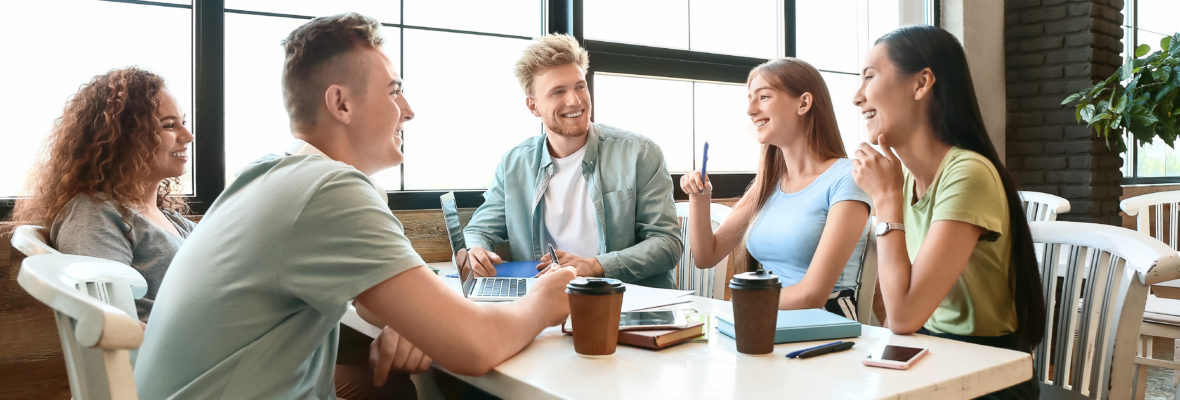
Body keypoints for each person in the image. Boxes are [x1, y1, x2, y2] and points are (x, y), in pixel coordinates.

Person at [133, 13, 575, 399]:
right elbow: (475, 347)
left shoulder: (271, 173)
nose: (408, 110)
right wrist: (544, 300)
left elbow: (371, 302)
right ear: (341, 103)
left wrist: (420, 319)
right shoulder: (328, 189)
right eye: (394, 90)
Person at [850, 25, 1045, 398]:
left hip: (989, 374)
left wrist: (886, 201)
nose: (857, 97)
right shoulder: (903, 178)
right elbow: (896, 316)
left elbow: (904, 315)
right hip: (933, 357)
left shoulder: (968, 172)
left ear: (921, 83)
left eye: (870, 77)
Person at [463, 34, 683, 289]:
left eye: (580, 86)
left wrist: (594, 266)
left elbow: (667, 244)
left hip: (630, 303)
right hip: (545, 305)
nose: (575, 100)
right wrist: (475, 249)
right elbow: (479, 230)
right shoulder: (514, 164)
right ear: (533, 106)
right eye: (558, 91)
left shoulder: (641, 153)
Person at [679, 58, 871, 318]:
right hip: (765, 316)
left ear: (803, 103)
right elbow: (706, 256)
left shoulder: (847, 178)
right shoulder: (767, 184)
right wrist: (699, 197)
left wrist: (741, 305)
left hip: (824, 322)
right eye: (749, 99)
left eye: (763, 97)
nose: (750, 110)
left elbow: (812, 294)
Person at [10, 67, 196, 323]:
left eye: (183, 123)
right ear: (125, 137)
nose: (188, 136)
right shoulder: (94, 216)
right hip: (171, 356)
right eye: (169, 126)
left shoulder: (172, 221)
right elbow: (113, 324)